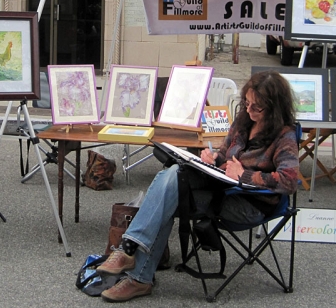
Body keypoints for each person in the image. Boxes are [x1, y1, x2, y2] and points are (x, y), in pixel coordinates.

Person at [97, 70, 300, 302]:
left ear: (274, 108)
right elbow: (225, 155)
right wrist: (212, 157)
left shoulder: (283, 136)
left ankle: (136, 269)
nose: (249, 111)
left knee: (169, 196)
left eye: (257, 107)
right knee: (174, 174)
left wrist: (246, 175)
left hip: (251, 204)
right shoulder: (243, 123)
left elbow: (290, 180)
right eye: (247, 103)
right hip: (222, 190)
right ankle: (133, 260)